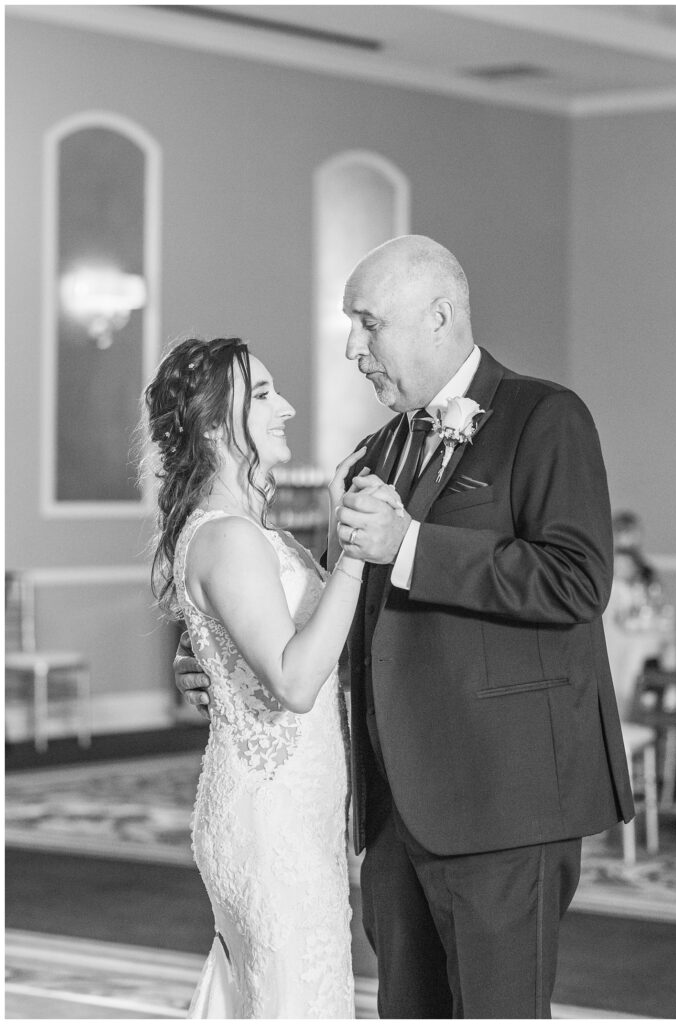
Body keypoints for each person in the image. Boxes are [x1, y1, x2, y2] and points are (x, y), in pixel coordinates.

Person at [175, 238, 635, 1019]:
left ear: (439, 316)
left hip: (504, 802)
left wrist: (412, 546)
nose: (353, 349)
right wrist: (231, 664)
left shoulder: (543, 417)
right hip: (392, 811)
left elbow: (576, 579)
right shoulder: (372, 454)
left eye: (367, 324)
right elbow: (344, 621)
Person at [144, 335, 400, 1018]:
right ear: (209, 424)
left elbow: (290, 641)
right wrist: (351, 554)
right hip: (271, 815)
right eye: (261, 395)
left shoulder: (251, 532)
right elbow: (293, 679)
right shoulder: (229, 535)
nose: (284, 406)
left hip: (294, 807)